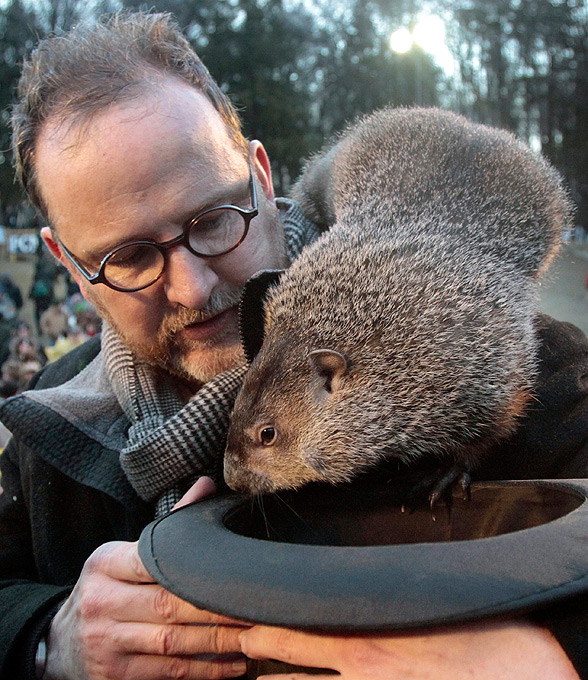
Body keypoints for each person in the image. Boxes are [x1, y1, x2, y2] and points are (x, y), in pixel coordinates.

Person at [0, 10, 586, 680]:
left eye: (214, 219)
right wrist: (44, 639)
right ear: (69, 265)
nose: (192, 287)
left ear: (261, 176)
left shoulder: (535, 370)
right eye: (129, 255)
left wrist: (559, 657)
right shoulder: (49, 436)